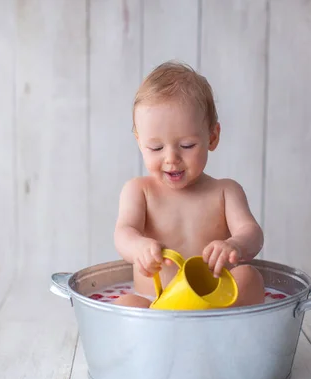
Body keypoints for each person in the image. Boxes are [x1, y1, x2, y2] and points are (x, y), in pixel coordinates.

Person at [112, 60, 265, 308]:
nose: (171, 158)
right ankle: (152, 338)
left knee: (250, 278)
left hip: (214, 303)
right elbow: (123, 233)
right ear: (140, 143)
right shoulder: (139, 191)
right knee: (124, 305)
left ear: (212, 137)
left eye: (187, 146)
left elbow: (252, 234)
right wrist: (138, 247)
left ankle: (225, 328)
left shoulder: (225, 192)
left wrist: (233, 245)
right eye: (156, 147)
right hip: (156, 304)